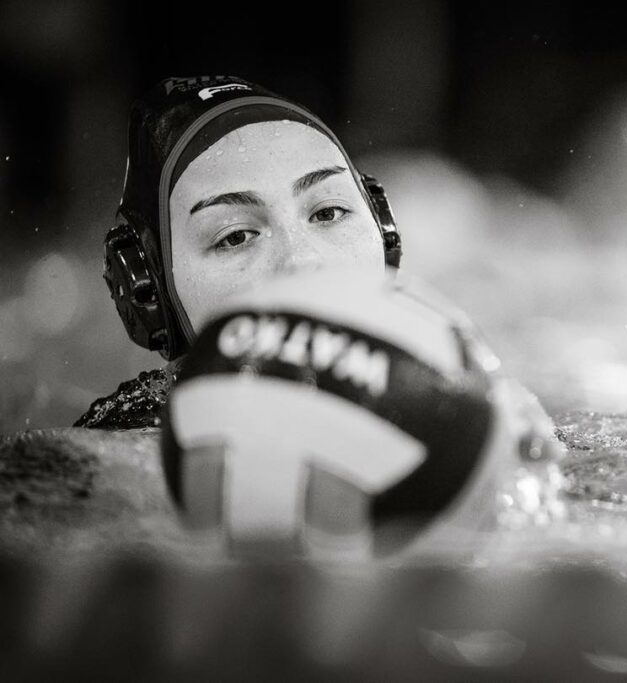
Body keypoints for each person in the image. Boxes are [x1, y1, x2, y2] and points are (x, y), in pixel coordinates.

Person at [75, 75, 402, 429]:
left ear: (384, 232)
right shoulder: (116, 455)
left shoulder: (451, 405)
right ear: (152, 292)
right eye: (236, 236)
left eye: (327, 213)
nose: (303, 259)